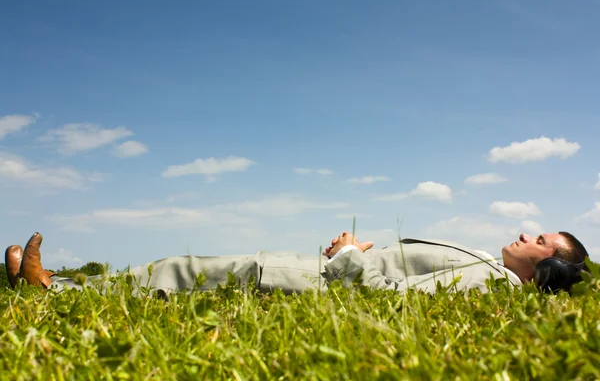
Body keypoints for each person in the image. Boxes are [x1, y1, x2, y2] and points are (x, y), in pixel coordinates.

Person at [4, 230, 589, 295]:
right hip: (317, 269)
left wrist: (352, 258)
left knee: (178, 275)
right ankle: (61, 282)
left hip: (309, 281)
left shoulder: (489, 284)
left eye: (539, 239)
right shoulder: (486, 266)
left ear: (549, 264)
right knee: (178, 268)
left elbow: (396, 300)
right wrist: (355, 252)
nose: (524, 233)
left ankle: (56, 291)